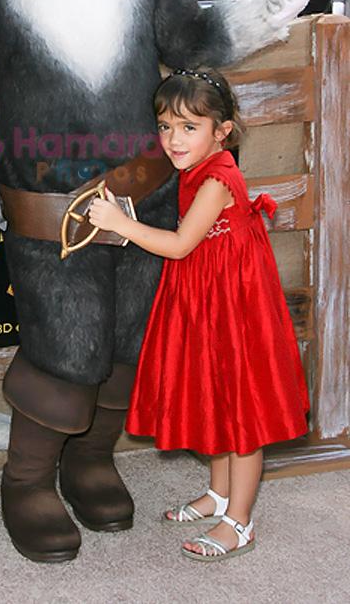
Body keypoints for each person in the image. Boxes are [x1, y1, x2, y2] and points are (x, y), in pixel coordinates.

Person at [89, 68, 309, 562]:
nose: (173, 139)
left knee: (242, 409)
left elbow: (181, 244)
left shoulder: (217, 178)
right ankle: (219, 493)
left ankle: (240, 520)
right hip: (209, 296)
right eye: (166, 126)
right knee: (213, 390)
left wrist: (121, 224)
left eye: (189, 127)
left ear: (222, 130)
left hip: (235, 305)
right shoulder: (197, 169)